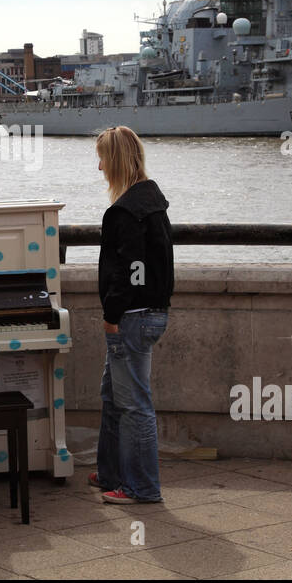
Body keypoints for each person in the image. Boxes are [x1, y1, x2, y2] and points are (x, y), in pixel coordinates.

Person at [92, 125, 173, 504]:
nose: (100, 167)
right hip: (151, 311)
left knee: (134, 404)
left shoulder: (125, 212)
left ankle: (142, 487)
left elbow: (128, 269)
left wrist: (112, 313)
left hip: (132, 317)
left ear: (117, 161)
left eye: (103, 159)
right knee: (114, 396)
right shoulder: (153, 204)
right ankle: (111, 473)